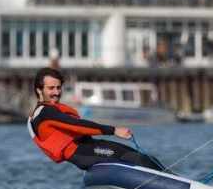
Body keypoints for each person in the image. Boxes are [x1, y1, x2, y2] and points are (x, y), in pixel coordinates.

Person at [27, 67, 165, 171]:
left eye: (58, 87)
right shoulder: (45, 113)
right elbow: (77, 125)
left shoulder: (41, 112)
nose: (56, 92)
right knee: (137, 159)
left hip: (89, 148)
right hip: (84, 152)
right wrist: (114, 130)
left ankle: (174, 183)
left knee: (140, 157)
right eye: (51, 88)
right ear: (39, 90)